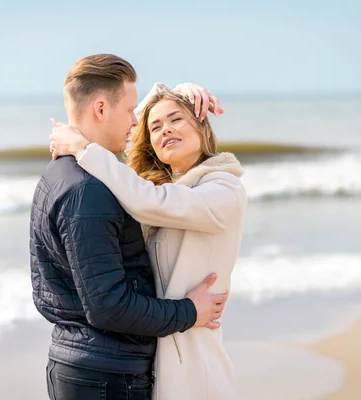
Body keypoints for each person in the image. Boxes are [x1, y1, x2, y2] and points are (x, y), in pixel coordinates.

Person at [30, 53, 229, 400]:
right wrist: (189, 311)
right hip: (106, 376)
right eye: (130, 111)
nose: (136, 122)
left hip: (86, 366)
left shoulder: (61, 173)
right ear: (101, 109)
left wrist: (178, 95)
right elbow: (109, 306)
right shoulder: (88, 188)